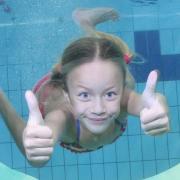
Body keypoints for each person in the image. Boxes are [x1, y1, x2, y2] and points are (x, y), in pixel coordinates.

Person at [0, 8, 169, 167]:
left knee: (105, 60)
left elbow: (148, 103)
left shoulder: (124, 95)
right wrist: (38, 143)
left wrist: (158, 106)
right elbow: (41, 146)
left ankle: (86, 23)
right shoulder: (63, 117)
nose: (98, 109)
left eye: (110, 94)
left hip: (88, 79)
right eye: (84, 95)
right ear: (68, 93)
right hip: (49, 93)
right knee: (39, 160)